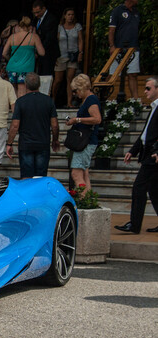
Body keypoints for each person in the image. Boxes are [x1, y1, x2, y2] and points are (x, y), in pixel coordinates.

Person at [114, 76, 158, 234]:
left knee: (139, 187)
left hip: (153, 155)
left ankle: (134, 224)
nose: (145, 91)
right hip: (148, 153)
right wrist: (133, 151)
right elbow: (145, 134)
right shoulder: (153, 107)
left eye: (148, 88)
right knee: (154, 189)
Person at [6, 73, 60, 178]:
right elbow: (55, 125)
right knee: (41, 177)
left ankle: (27, 194)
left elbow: (15, 125)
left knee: (26, 176)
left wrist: (9, 143)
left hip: (26, 143)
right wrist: (55, 139)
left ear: (26, 84)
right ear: (39, 84)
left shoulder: (21, 102)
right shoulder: (48, 101)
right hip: (43, 143)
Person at [65, 74, 102, 193]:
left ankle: (83, 198)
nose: (75, 94)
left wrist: (77, 120)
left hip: (86, 141)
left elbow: (97, 119)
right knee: (84, 172)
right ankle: (88, 200)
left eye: (75, 91)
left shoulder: (91, 99)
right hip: (88, 141)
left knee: (76, 173)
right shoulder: (90, 99)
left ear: (81, 88)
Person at [3, 17, 45, 98]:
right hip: (26, 68)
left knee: (14, 93)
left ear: (19, 26)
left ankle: (15, 110)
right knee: (22, 92)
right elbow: (42, 53)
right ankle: (22, 110)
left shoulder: (12, 37)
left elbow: (4, 53)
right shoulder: (34, 37)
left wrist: (11, 60)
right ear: (30, 27)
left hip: (12, 68)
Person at [108, 0, 141, 100]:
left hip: (133, 48)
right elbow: (111, 30)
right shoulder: (117, 11)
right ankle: (104, 98)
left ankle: (135, 99)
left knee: (133, 74)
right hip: (119, 48)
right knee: (112, 74)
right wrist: (112, 46)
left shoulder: (136, 12)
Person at [53, 8, 84, 108]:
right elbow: (56, 41)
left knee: (70, 79)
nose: (71, 16)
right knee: (58, 80)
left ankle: (69, 102)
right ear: (65, 16)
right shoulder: (60, 27)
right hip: (61, 56)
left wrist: (80, 53)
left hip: (73, 56)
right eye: (69, 14)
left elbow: (80, 40)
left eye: (72, 14)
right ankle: (52, 99)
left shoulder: (77, 26)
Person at [32, 0, 59, 77]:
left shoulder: (51, 19)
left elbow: (49, 39)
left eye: (38, 12)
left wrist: (38, 50)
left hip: (48, 53)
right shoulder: (36, 19)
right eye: (34, 13)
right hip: (39, 54)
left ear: (44, 9)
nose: (36, 15)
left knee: (46, 75)